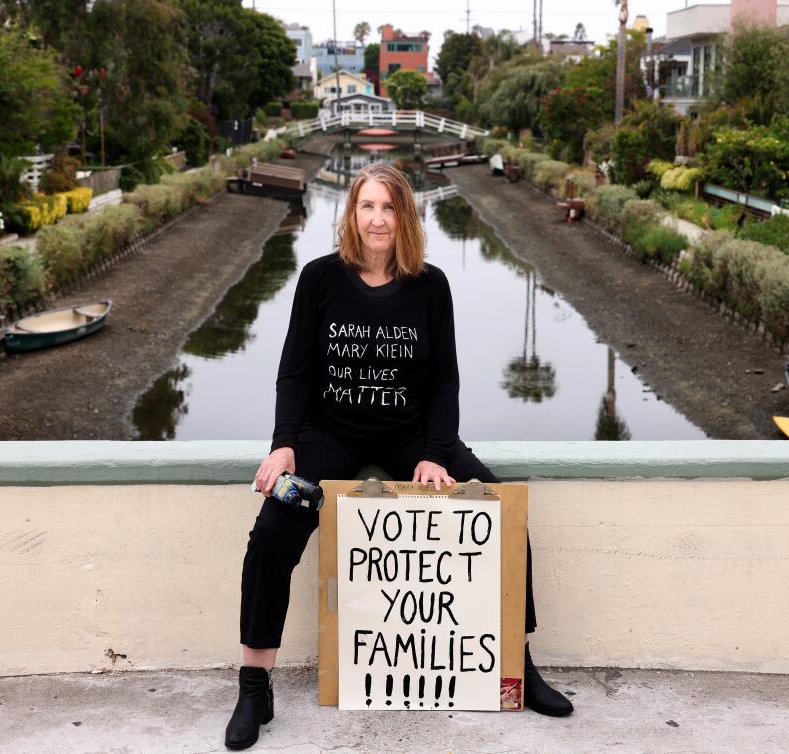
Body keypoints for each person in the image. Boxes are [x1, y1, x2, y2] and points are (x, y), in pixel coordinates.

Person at [225, 162, 573, 750]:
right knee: (271, 535)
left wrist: (437, 454)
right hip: (328, 435)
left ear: (405, 215)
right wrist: (285, 444)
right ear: (352, 214)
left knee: (497, 510)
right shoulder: (318, 280)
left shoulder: (430, 285)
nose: (378, 218)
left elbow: (444, 382)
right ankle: (255, 685)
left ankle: (519, 663)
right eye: (368, 206)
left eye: (389, 207)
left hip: (410, 434)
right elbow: (296, 372)